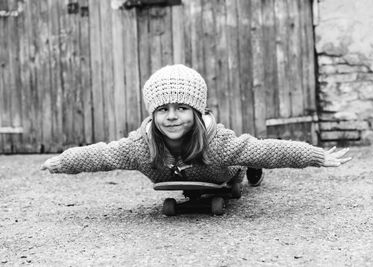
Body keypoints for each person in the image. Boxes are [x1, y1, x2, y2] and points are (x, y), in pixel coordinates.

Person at [41, 64, 351, 187]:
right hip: (181, 174)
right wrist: (61, 162)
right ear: (153, 114)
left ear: (196, 110)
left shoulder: (220, 143)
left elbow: (269, 149)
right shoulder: (140, 147)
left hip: (225, 171)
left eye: (181, 108)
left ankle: (249, 170)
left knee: (249, 157)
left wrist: (316, 155)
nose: (172, 116)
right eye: (163, 109)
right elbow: (101, 156)